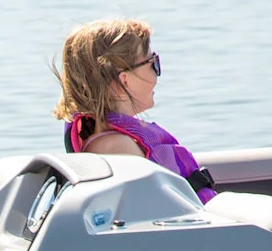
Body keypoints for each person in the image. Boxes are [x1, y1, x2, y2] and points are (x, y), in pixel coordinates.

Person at [53, 18, 216, 203]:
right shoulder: (117, 149)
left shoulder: (114, 142)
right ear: (124, 80)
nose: (156, 72)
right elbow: (151, 210)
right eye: (153, 63)